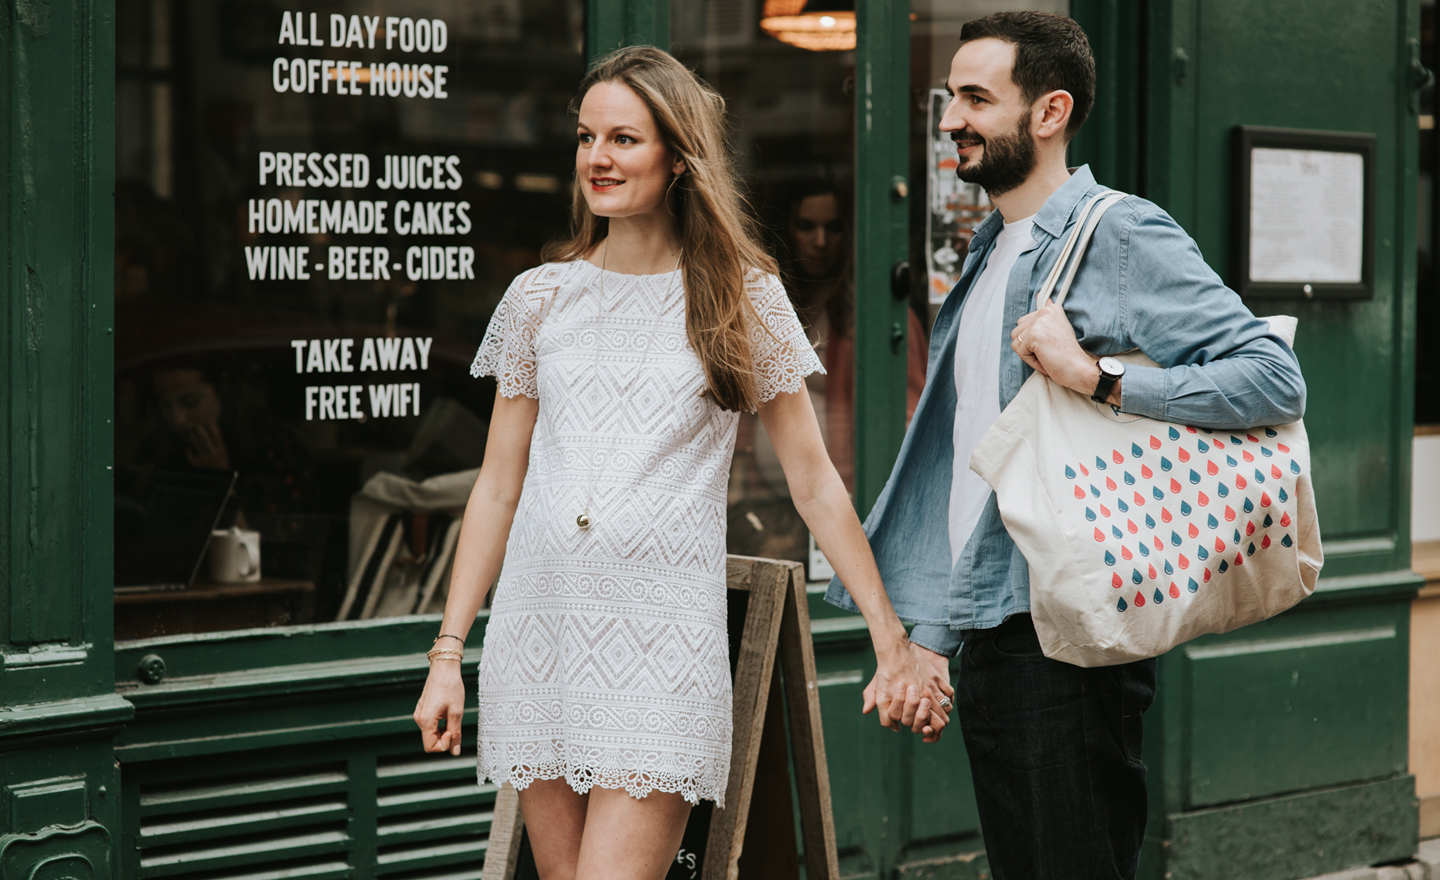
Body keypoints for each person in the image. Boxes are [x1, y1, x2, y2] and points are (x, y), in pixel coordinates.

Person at [412, 46, 951, 880]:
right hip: (540, 629)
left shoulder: (741, 296)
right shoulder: (538, 297)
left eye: (624, 139)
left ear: (679, 154)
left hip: (658, 642)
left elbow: (814, 482)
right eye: (588, 137)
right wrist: (448, 656)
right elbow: (496, 486)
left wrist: (891, 639)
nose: (598, 157)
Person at [825, 12, 1306, 880]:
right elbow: (966, 464)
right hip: (1000, 637)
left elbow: (1273, 377)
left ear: (1049, 112)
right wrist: (931, 639)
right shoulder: (987, 252)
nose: (949, 120)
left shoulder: (1118, 233)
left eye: (976, 98)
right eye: (949, 98)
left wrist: (1101, 379)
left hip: (1069, 641)